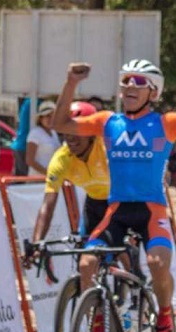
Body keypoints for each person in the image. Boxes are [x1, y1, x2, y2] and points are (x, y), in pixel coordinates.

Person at [52, 56, 176, 332]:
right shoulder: (108, 122)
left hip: (151, 210)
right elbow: (60, 124)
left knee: (158, 264)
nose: (130, 84)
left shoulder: (165, 123)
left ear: (153, 92)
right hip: (116, 209)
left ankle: (164, 321)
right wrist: (71, 83)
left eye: (139, 81)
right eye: (126, 79)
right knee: (87, 263)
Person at [26, 101, 109, 294]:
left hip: (121, 202)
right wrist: (37, 242)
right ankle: (93, 316)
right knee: (84, 262)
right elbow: (48, 204)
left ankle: (133, 295)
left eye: (76, 131)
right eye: (65, 132)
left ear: (91, 132)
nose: (70, 138)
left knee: (123, 254)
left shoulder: (106, 149)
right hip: (94, 204)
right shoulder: (61, 158)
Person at [26, 101, 61, 176]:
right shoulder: (35, 133)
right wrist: (47, 173)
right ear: (40, 118)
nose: (50, 119)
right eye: (47, 116)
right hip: (36, 180)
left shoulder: (54, 133)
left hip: (51, 179)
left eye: (52, 116)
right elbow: (29, 160)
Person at [12, 97, 31, 176]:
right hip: (24, 146)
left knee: (19, 178)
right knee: (23, 177)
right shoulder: (33, 103)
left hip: (20, 145)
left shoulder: (28, 102)